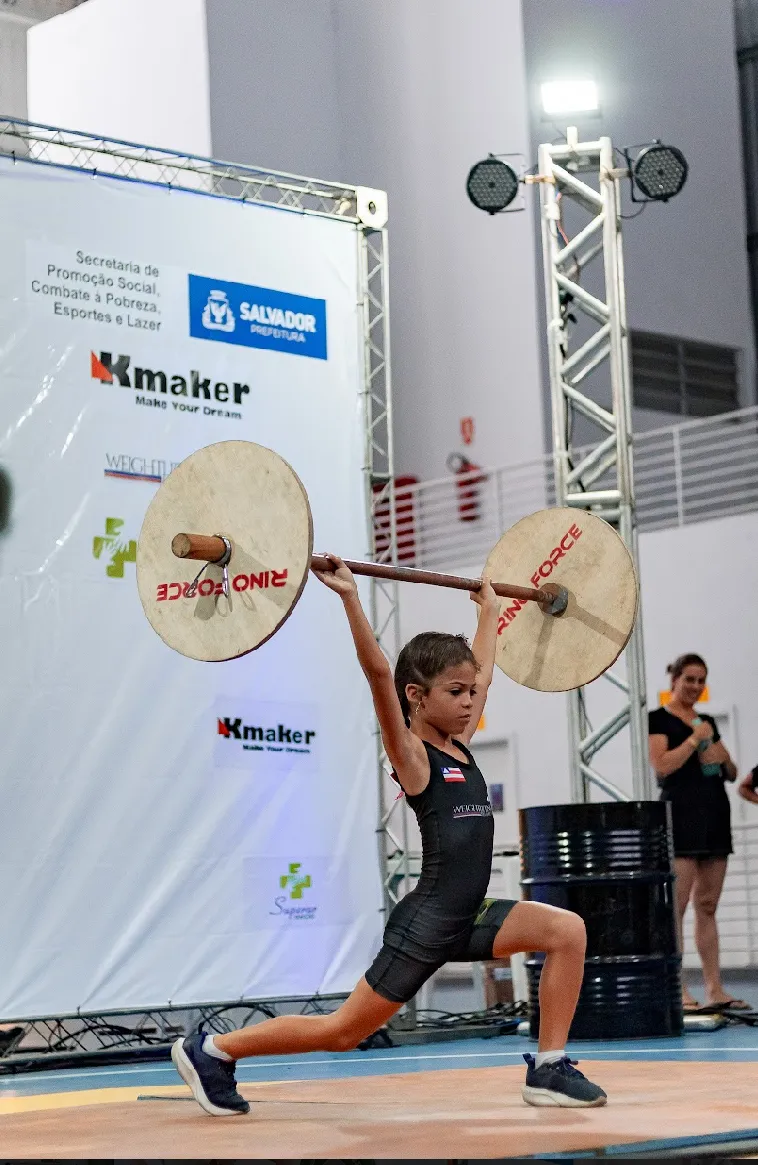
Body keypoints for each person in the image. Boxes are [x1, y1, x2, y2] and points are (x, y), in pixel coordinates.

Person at [171, 555, 606, 1116]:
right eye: (456, 691)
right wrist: (352, 598)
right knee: (343, 1032)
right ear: (416, 697)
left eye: (471, 691)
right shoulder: (414, 756)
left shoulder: (459, 743)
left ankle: (548, 1068)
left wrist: (490, 615)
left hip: (467, 913)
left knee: (567, 930)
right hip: (427, 923)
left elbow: (486, 672)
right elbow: (378, 674)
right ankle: (212, 1050)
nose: (470, 700)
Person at [648, 653, 742, 1012]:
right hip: (681, 817)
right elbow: (662, 766)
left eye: (701, 680)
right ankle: (677, 989)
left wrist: (722, 755)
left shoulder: (706, 722)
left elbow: (731, 773)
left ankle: (715, 989)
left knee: (708, 904)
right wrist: (692, 742)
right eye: (689, 679)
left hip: (715, 815)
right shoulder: (658, 719)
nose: (696, 687)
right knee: (679, 905)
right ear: (674, 679)